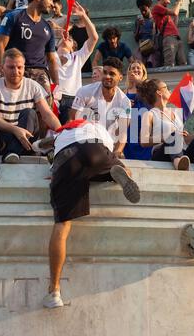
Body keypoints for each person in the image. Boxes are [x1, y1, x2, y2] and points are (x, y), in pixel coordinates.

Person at [38, 117, 140, 308]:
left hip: (66, 159)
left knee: (62, 225)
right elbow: (109, 146)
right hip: (96, 149)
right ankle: (117, 174)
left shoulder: (61, 133)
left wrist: (57, 173)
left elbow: (39, 145)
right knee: (120, 169)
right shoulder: (96, 127)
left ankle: (54, 291)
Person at [0, 48, 61, 179]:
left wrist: (63, 132)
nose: (16, 71)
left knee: (29, 113)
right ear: (2, 68)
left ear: (24, 68)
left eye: (19, 67)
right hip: (3, 137)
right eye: (11, 67)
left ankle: (13, 152)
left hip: (25, 139)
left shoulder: (33, 85)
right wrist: (16, 130)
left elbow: (47, 114)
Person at [138, 79, 194, 172]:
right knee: (173, 136)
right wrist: (167, 136)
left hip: (181, 151)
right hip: (162, 153)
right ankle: (179, 164)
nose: (170, 91)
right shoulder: (150, 114)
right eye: (166, 88)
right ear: (159, 92)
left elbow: (183, 139)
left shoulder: (175, 113)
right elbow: (143, 141)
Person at [0, 0, 58, 94]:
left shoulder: (48, 27)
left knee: (45, 110)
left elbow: (52, 60)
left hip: (40, 75)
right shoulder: (13, 17)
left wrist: (57, 86)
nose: (52, 4)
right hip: (16, 71)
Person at [71, 57, 131, 158]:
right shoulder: (85, 91)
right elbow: (72, 120)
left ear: (120, 77)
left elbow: (122, 132)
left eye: (112, 74)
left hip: (107, 145)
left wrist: (117, 152)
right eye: (105, 72)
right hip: (84, 140)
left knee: (120, 158)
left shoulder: (125, 102)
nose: (107, 76)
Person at [55, 2, 98, 124]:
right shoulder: (49, 56)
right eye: (62, 39)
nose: (65, 38)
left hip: (73, 100)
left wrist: (84, 16)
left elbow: (94, 38)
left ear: (73, 47)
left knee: (69, 129)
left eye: (69, 39)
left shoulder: (77, 57)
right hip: (52, 99)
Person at [123, 60, 152, 160]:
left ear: (143, 72)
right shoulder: (124, 91)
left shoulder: (148, 86)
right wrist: (126, 107)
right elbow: (120, 111)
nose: (135, 70)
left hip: (144, 123)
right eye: (133, 68)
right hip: (130, 125)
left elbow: (151, 101)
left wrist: (137, 81)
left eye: (138, 68)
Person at [152, 0, 186, 66]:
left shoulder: (165, 14)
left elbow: (175, 23)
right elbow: (174, 12)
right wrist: (178, 4)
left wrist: (176, 9)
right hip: (169, 38)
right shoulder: (157, 7)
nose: (169, 2)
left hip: (176, 38)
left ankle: (184, 78)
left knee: (183, 63)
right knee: (169, 63)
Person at [134, 0, 157, 67]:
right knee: (139, 62)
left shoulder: (155, 19)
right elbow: (136, 38)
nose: (143, 12)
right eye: (141, 11)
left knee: (151, 61)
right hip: (142, 46)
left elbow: (157, 34)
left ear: (149, 7)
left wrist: (154, 26)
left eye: (145, 10)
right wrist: (138, 26)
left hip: (153, 45)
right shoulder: (138, 20)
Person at [69, 6, 93, 73]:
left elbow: (93, 36)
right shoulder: (73, 26)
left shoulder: (90, 25)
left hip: (86, 49)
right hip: (76, 50)